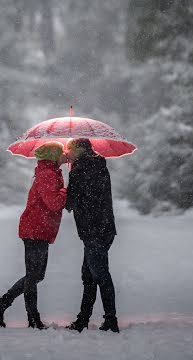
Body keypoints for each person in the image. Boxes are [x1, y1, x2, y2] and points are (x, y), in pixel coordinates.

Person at [0, 141, 67, 329]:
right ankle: (33, 319)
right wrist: (67, 190)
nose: (65, 153)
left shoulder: (51, 172)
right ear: (53, 156)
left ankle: (1, 303)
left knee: (37, 276)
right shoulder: (47, 174)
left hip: (40, 229)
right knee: (33, 276)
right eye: (61, 151)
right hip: (35, 230)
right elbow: (54, 203)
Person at [65, 137, 119, 333]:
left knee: (99, 276)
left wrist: (65, 184)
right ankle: (83, 320)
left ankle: (111, 320)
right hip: (105, 228)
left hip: (92, 230)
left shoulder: (79, 169)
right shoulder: (99, 164)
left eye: (69, 149)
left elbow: (70, 203)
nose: (67, 153)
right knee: (89, 275)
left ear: (78, 149)